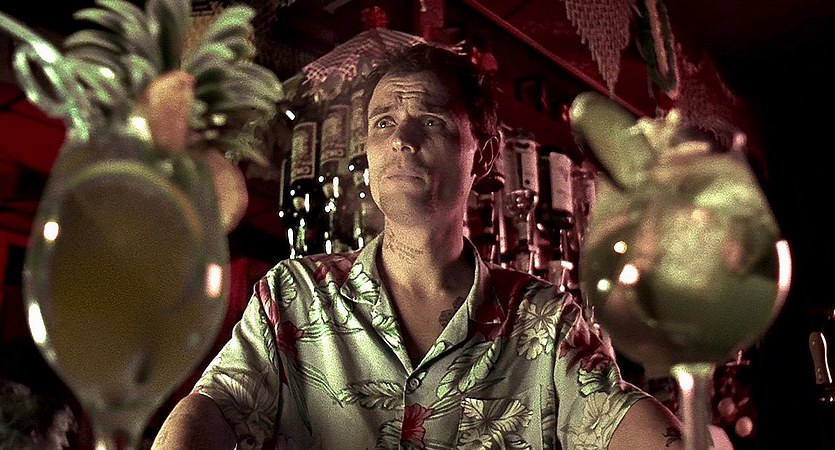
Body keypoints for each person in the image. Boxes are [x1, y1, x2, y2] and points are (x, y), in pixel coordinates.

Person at [151, 43, 683, 449]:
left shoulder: (545, 319)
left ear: (484, 154)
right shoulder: (293, 294)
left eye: (431, 120)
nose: (401, 140)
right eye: (383, 123)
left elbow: (621, 421)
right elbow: (215, 406)